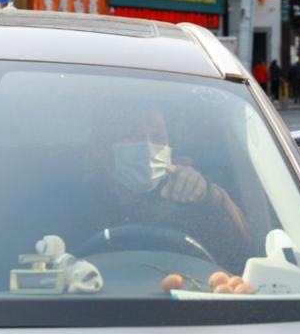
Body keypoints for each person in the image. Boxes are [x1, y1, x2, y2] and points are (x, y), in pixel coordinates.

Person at [87, 101, 252, 272]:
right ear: (99, 148)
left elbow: (247, 255)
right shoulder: (75, 203)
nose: (147, 147)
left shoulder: (189, 198)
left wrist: (210, 196)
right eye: (132, 136)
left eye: (157, 139)